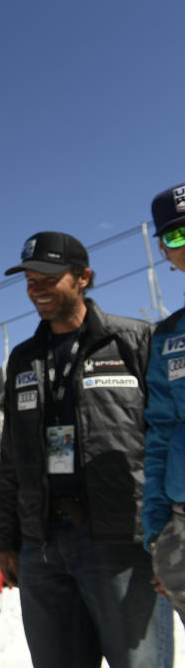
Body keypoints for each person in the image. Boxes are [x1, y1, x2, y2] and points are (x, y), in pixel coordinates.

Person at [0, 230, 171, 668]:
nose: (37, 287)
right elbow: (11, 455)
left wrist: (169, 529)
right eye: (30, 279)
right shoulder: (23, 359)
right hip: (43, 547)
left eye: (49, 277)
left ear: (83, 278)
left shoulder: (134, 340)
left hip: (121, 540)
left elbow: (168, 439)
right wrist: (9, 538)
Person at [144, 182, 185, 624]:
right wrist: (159, 537)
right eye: (178, 234)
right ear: (164, 250)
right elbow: (159, 434)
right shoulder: (169, 338)